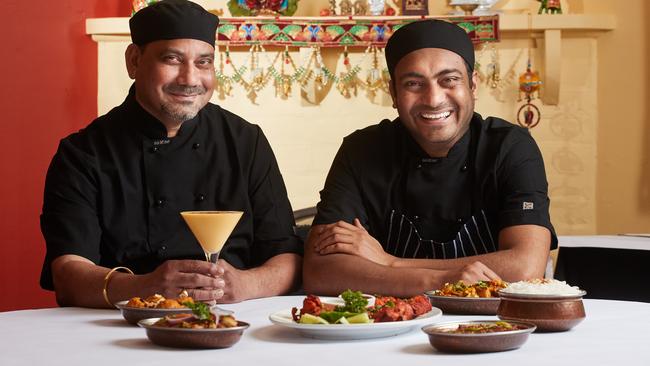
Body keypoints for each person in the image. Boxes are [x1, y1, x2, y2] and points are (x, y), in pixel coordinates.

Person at [40, 0, 302, 308]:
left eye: (204, 63)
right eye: (172, 59)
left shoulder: (246, 141)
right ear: (134, 61)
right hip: (121, 330)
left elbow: (287, 257)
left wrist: (246, 284)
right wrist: (146, 286)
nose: (190, 79)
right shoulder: (82, 154)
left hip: (233, 323)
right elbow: (68, 276)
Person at [303, 20, 557, 297]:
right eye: (414, 84)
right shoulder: (361, 151)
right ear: (394, 94)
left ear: (473, 86)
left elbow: (525, 267)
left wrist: (391, 262)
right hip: (390, 324)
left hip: (494, 324)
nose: (434, 99)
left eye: (449, 80)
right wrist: (443, 279)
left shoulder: (509, 147)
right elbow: (320, 272)